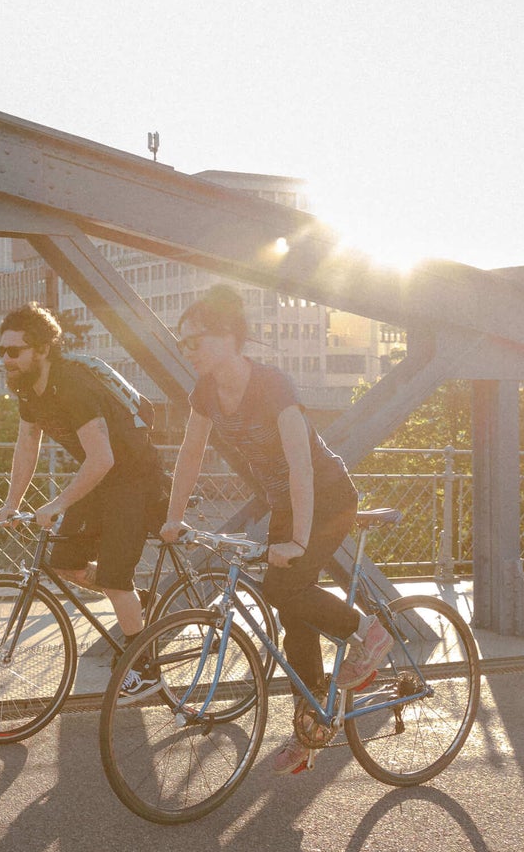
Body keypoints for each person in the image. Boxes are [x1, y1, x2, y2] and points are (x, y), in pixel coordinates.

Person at [160, 285, 391, 775]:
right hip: (287, 502)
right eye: (182, 344)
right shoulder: (204, 392)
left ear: (228, 338)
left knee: (284, 587)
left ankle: (369, 631)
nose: (188, 351)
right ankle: (311, 727)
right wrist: (174, 517)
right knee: (292, 614)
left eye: (194, 341)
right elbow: (190, 454)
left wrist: (300, 540)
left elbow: (301, 465)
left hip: (327, 496)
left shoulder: (272, 384)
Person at [0, 302, 167, 694]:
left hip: (136, 479)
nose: (5, 358)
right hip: (102, 477)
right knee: (66, 564)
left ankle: (146, 668)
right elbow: (27, 442)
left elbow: (103, 457)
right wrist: (11, 501)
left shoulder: (73, 385)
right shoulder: (27, 389)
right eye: (0, 350)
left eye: (14, 350)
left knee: (113, 575)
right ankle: (137, 602)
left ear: (41, 349)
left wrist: (56, 504)